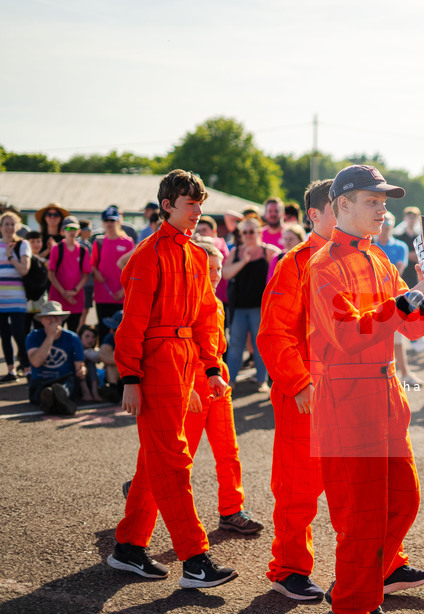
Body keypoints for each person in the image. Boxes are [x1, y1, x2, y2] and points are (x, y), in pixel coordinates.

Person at [306, 165, 424, 614]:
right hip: (348, 399)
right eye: (372, 200)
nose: (383, 208)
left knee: (404, 499)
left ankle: (371, 578)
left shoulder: (380, 257)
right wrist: (409, 299)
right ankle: (354, 601)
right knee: (361, 518)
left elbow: (414, 326)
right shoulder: (324, 263)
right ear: (342, 205)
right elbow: (347, 334)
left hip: (385, 393)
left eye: (385, 201)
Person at [107, 169, 236, 589]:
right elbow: (132, 323)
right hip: (156, 360)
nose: (198, 211)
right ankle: (196, 560)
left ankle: (128, 546)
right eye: (190, 203)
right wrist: (130, 377)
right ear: (167, 205)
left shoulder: (198, 254)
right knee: (174, 458)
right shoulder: (149, 253)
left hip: (185, 362)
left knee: (156, 458)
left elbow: (204, 319)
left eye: (201, 203)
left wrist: (212, 368)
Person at [120, 238, 264, 536]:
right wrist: (189, 389)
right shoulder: (186, 303)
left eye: (218, 268)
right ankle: (139, 503)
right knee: (175, 459)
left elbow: (215, 348)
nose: (213, 274)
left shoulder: (218, 303)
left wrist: (217, 377)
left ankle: (231, 510)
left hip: (216, 381)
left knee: (229, 452)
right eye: (208, 268)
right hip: (188, 382)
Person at [258, 179, 334, 602]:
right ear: (316, 214)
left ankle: (385, 564)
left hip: (348, 393)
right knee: (297, 490)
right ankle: (288, 569)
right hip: (303, 396)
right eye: (337, 206)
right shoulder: (294, 263)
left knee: (360, 485)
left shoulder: (360, 257)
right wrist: (299, 382)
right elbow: (273, 334)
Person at [222, 216, 279, 390]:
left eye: (251, 232)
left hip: (259, 308)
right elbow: (226, 274)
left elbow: (279, 270)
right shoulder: (237, 252)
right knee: (236, 345)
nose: (247, 235)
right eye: (244, 232)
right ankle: (230, 380)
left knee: (259, 345)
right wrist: (244, 261)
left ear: (258, 232)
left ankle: (262, 381)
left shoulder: (267, 251)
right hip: (239, 307)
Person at [374, 211, 421, 385]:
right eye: (383, 224)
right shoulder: (370, 245)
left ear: (393, 226)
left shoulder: (400, 246)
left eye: (388, 224)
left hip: (394, 297)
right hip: (371, 299)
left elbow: (396, 273)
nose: (385, 228)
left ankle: (405, 374)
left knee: (398, 339)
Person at [25, 301, 85, 415]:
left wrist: (81, 370)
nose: (53, 321)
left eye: (57, 318)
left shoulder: (72, 337)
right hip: (41, 380)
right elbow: (36, 362)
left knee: (64, 387)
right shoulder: (33, 336)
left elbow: (79, 364)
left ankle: (54, 401)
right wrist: (51, 336)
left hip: (64, 378)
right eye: (49, 318)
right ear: (42, 320)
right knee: (43, 392)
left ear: (62, 319)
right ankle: (57, 402)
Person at [91, 205, 134, 341]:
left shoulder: (127, 242)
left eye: (112, 220)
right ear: (103, 223)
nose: (109, 224)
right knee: (103, 330)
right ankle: (105, 358)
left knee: (121, 331)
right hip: (102, 294)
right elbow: (93, 265)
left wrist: (123, 291)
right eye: (107, 221)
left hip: (121, 295)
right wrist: (96, 273)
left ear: (119, 221)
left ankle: (118, 361)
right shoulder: (99, 241)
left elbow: (132, 269)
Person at [0, 211, 31, 381]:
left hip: (17, 298)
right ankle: (11, 370)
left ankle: (27, 369)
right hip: (0, 299)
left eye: (13, 224)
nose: (9, 227)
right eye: (6, 224)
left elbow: (24, 270)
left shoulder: (22, 245)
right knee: (4, 336)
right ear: (1, 227)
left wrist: (11, 257)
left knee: (19, 334)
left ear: (17, 227)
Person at [48, 216, 91, 331]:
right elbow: (51, 274)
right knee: (55, 332)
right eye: (68, 229)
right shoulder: (57, 249)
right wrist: (64, 293)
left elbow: (85, 275)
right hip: (58, 300)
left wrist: (74, 291)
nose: (71, 232)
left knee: (73, 333)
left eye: (74, 229)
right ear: (62, 231)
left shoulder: (83, 250)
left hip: (76, 300)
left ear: (79, 232)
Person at [394, 205, 421, 288]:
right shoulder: (398, 237)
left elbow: (420, 255)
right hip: (402, 273)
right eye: (409, 217)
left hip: (414, 273)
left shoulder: (419, 238)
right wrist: (408, 254)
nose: (411, 220)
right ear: (405, 218)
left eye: (414, 217)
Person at [78, 324, 104, 403]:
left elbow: (97, 358)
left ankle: (94, 392)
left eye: (93, 337)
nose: (90, 340)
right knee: (81, 365)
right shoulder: (76, 348)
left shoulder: (92, 351)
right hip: (77, 379)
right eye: (87, 336)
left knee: (91, 364)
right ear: (80, 337)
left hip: (90, 378)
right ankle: (86, 392)